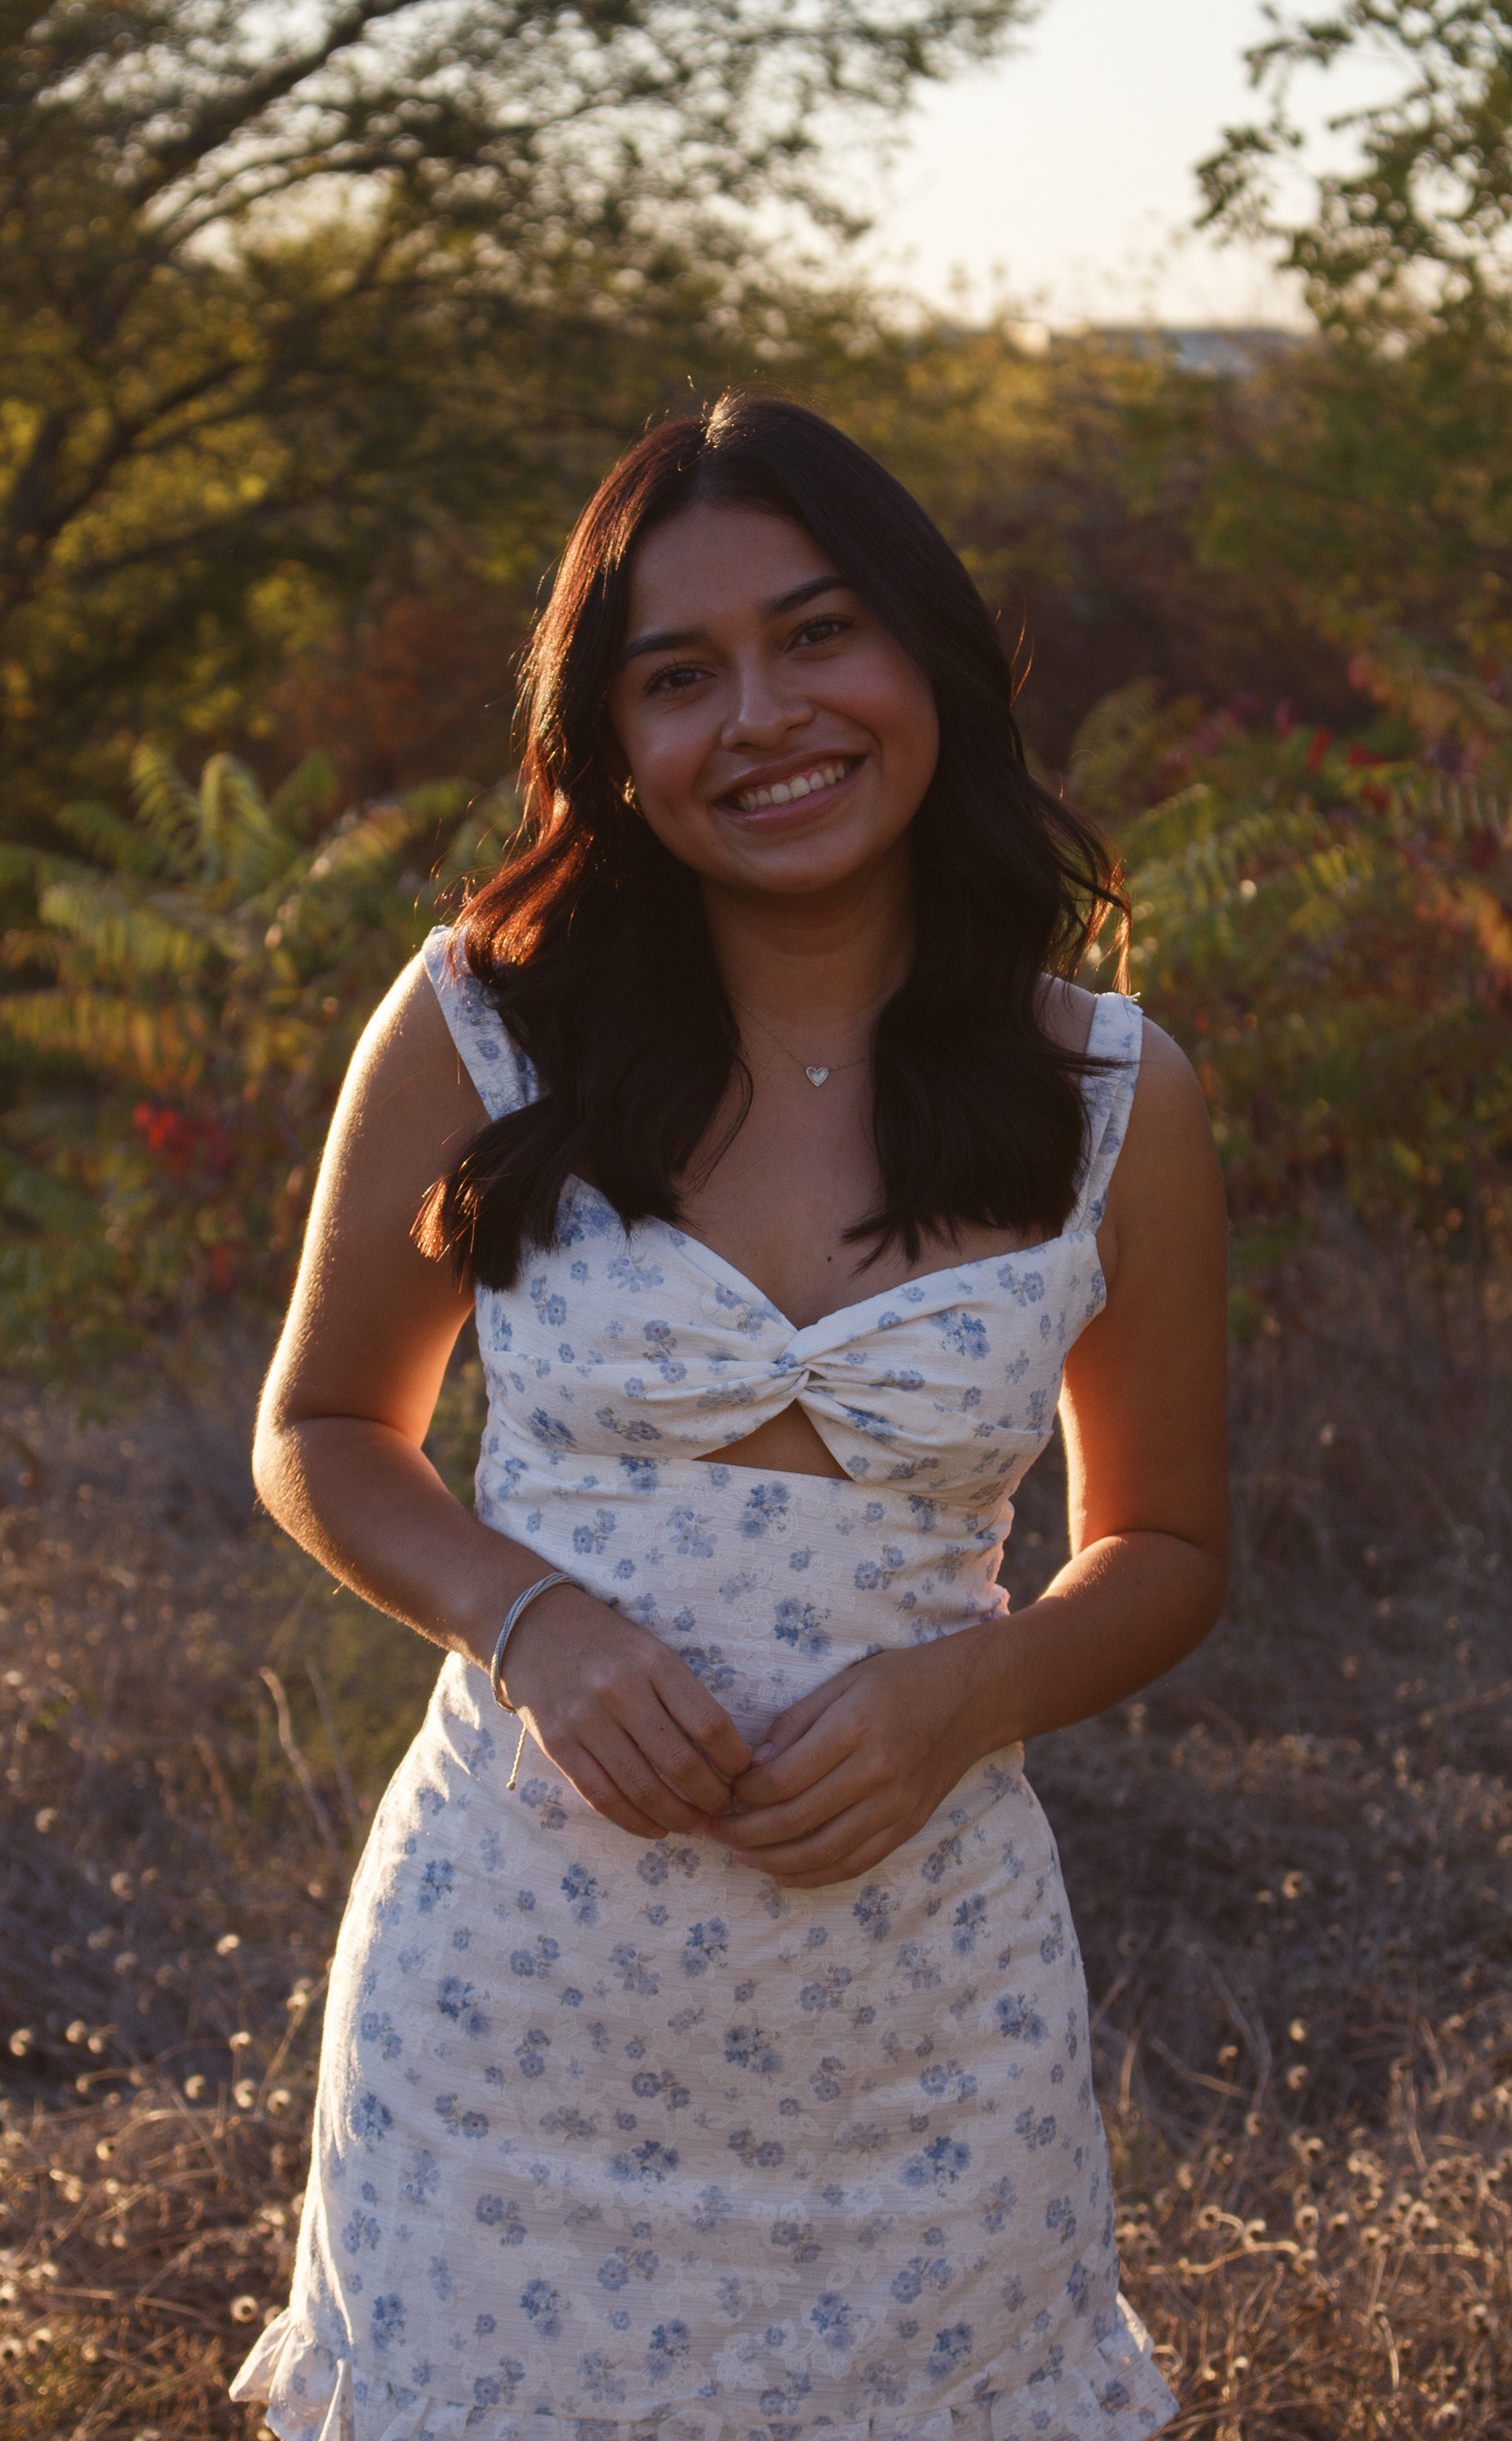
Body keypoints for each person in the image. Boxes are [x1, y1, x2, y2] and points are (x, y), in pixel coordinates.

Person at [232, 392, 1227, 2441]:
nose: (762, 715)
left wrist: (972, 1691)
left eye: (818, 634)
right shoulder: (477, 1022)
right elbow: (324, 1424)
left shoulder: (1119, 1093)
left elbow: (1171, 1546)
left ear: (929, 656)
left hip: (925, 2042)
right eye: (677, 677)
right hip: (510, 2026)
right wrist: (538, 1623)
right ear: (608, 744)